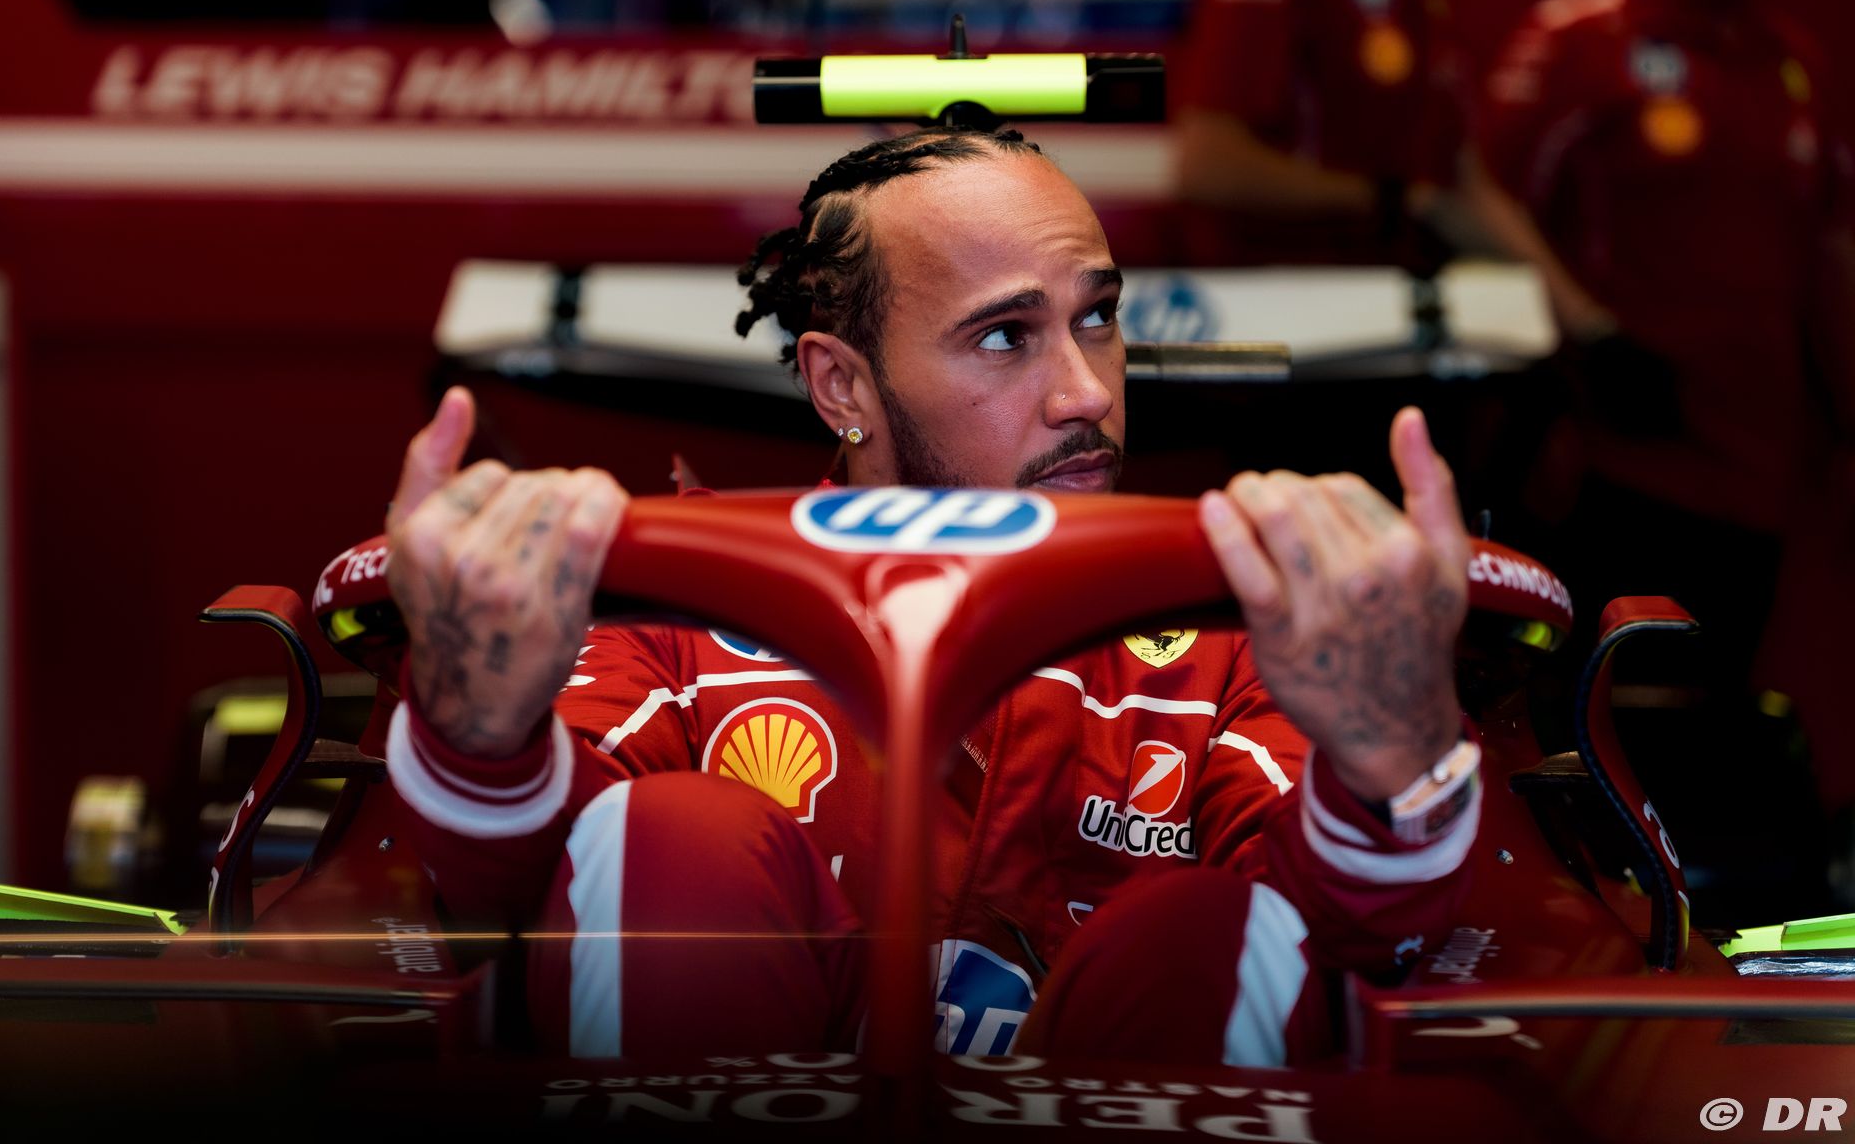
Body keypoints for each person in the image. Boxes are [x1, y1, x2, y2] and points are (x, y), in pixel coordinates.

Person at [381, 128, 1483, 1066]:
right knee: (671, 841)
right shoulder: (665, 600)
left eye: (1097, 318)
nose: (1086, 392)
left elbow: (1358, 944)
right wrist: (481, 734)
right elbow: (501, 901)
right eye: (1006, 336)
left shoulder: (1245, 627)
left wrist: (1389, 755)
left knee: (1211, 927)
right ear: (842, 384)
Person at [1479, 0, 1855, 908]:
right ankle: (1582, 937)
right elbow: (1482, 208)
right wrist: (1589, 336)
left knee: (1709, 746)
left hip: (1758, 476)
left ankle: (1689, 952)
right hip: (1615, 473)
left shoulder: (1796, 64)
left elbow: (1828, 252)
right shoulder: (1575, 39)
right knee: (1593, 740)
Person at [1174, 0, 1608, 335]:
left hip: (1387, 323)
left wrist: (1587, 322)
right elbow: (1207, 167)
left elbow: (1461, 186)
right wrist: (1387, 201)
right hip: (1281, 328)